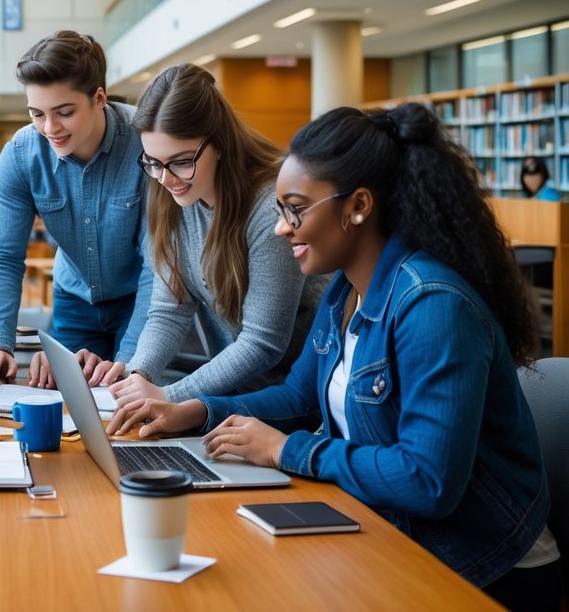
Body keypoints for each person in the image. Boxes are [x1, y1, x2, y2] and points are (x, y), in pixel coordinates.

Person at [109, 103, 561, 609]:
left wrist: (287, 451)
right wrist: (197, 411)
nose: (282, 228)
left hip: (479, 568)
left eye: (295, 208)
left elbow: (428, 480)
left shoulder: (433, 307)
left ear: (358, 206)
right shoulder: (347, 289)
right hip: (392, 532)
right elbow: (300, 396)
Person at [91, 64, 326, 402]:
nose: (166, 178)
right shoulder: (171, 192)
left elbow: (263, 343)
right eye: (153, 162)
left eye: (182, 160)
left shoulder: (269, 204)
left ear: (218, 143)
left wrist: (168, 398)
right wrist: (137, 376)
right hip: (232, 397)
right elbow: (168, 309)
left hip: (293, 400)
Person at [0, 31, 154, 387]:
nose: (50, 128)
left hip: (140, 297)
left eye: (64, 112)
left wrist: (126, 362)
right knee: (66, 397)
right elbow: (5, 256)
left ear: (99, 98)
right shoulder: (20, 155)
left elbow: (158, 268)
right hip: (74, 298)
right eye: (37, 114)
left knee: (126, 394)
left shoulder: (147, 144)